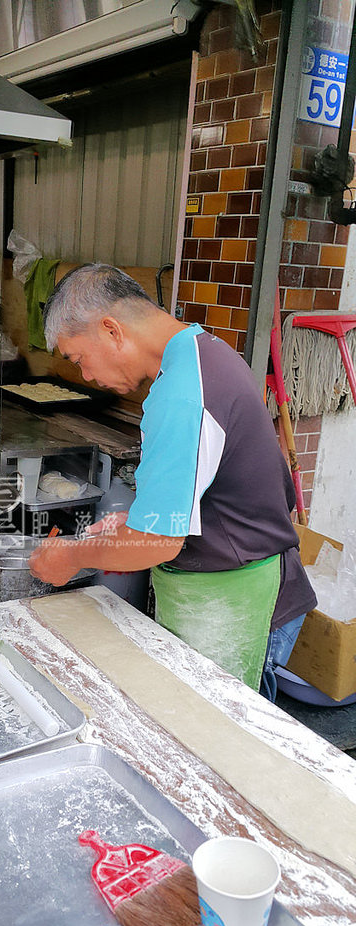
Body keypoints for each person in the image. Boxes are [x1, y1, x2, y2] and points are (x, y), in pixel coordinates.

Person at [28, 264, 316, 699]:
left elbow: (157, 542)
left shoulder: (183, 392)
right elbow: (212, 485)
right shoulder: (201, 354)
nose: (85, 376)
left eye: (78, 358)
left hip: (233, 598)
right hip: (226, 581)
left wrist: (71, 557)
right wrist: (137, 517)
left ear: (111, 330)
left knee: (217, 724)